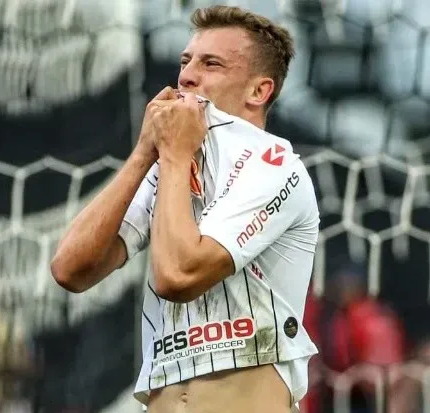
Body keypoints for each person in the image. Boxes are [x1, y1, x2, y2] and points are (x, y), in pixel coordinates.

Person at [51, 5, 319, 413]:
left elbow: (178, 276)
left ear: (258, 91)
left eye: (211, 64)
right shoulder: (173, 164)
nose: (187, 76)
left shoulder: (276, 166)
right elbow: (70, 269)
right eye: (185, 61)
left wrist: (173, 155)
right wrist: (145, 152)